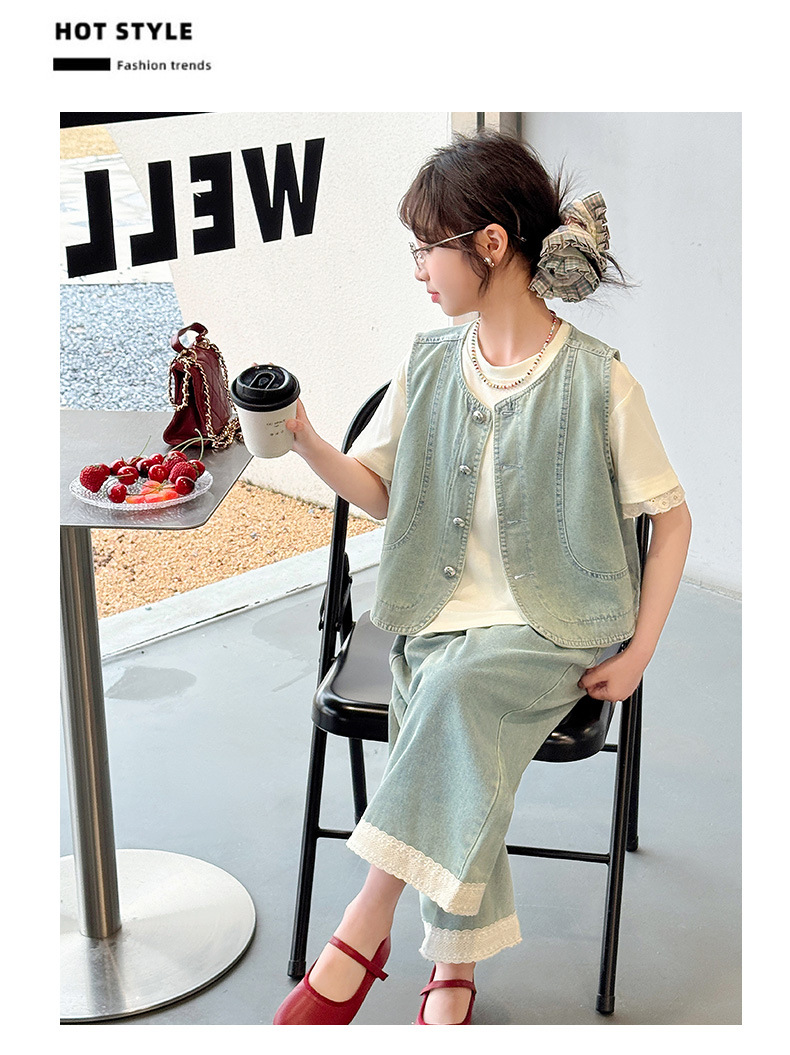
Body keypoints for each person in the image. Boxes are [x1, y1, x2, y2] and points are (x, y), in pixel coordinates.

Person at [272, 130, 692, 1026]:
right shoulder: (427, 363)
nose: (419, 268)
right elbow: (383, 493)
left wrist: (641, 653)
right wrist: (307, 440)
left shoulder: (599, 381)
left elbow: (673, 520)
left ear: (491, 245)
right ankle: (451, 969)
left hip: (556, 628)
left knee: (453, 695)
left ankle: (361, 927)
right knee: (453, 708)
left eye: (428, 247)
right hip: (438, 615)